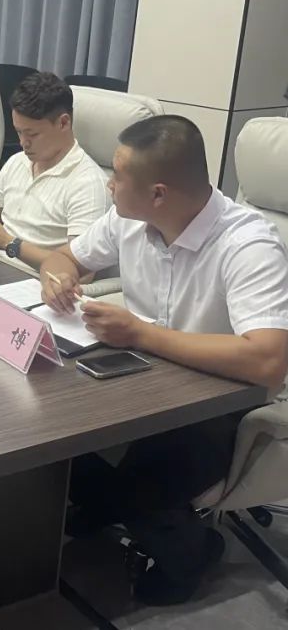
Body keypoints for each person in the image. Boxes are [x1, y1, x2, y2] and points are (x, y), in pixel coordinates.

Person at [39, 115, 288, 605]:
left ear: (157, 194)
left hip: (221, 399)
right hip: (143, 376)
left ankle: (194, 552)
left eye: (116, 176)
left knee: (142, 484)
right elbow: (62, 258)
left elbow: (268, 361)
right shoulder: (129, 219)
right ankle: (111, 504)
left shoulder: (248, 245)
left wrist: (142, 334)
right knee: (44, 435)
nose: (108, 184)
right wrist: (58, 279)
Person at [0, 72, 109, 269]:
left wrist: (9, 244)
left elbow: (80, 269)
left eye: (32, 134)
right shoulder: (17, 162)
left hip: (38, 280)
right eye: (19, 132)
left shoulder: (88, 184)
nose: (23, 143)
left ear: (63, 123)